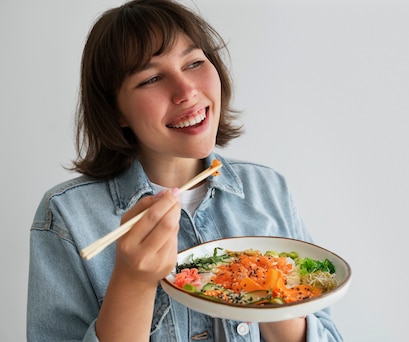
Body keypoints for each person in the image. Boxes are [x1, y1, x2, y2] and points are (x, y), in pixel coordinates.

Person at [26, 0, 344, 341]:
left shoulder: (267, 189)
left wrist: (270, 288)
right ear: (115, 109)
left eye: (194, 62)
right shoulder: (66, 216)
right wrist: (132, 281)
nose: (186, 91)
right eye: (152, 78)